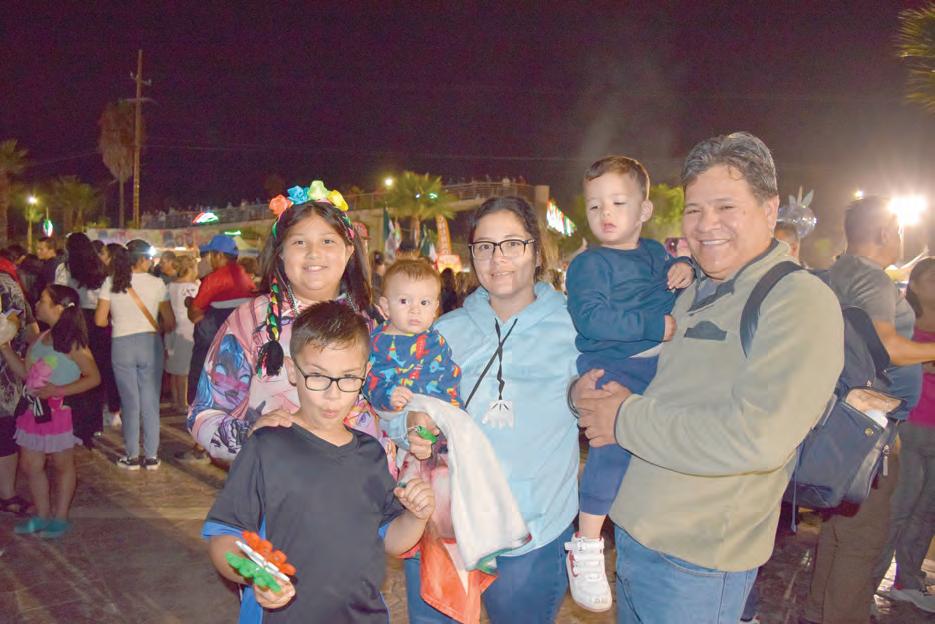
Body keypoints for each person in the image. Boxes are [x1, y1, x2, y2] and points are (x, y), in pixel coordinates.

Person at [574, 131, 844, 623]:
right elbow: (635, 371)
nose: (706, 225)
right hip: (634, 537)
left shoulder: (797, 301)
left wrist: (623, 418)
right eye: (694, 210)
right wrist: (582, 393)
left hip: (696, 564)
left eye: (725, 207)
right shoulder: (691, 289)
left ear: (769, 209)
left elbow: (758, 437)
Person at [386, 196, 580, 623]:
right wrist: (409, 425)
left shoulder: (574, 328)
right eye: (485, 246)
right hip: (445, 526)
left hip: (530, 531)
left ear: (537, 251)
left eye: (512, 244)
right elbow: (394, 406)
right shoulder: (443, 330)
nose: (498, 258)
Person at [203, 301, 434, 623]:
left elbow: (390, 539)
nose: (332, 394)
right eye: (317, 376)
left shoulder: (371, 453)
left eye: (348, 378)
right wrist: (257, 575)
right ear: (292, 371)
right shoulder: (268, 446)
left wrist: (416, 517)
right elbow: (224, 537)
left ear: (365, 374)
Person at [563, 156, 694, 612]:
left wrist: (685, 267)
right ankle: (586, 543)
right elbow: (591, 319)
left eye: (618, 202)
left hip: (657, 368)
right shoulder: (589, 264)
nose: (605, 213)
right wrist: (654, 326)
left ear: (644, 210)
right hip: (614, 365)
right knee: (611, 447)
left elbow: (677, 283)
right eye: (595, 205)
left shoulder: (656, 254)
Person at [803, 196, 932, 623]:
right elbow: (888, 347)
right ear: (884, 232)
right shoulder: (873, 279)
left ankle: (818, 612)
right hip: (869, 426)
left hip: (843, 417)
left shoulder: (839, 270)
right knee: (863, 538)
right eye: (898, 230)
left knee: (840, 529)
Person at [187, 183, 382, 464]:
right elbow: (203, 414)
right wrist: (251, 436)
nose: (314, 253)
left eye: (328, 241)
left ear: (349, 250)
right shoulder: (251, 320)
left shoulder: (376, 322)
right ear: (281, 252)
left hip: (364, 484)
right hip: (276, 484)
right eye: (299, 242)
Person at [1, 285, 100, 538]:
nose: (36, 304)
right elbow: (26, 373)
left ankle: (60, 518)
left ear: (58, 308)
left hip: (59, 412)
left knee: (61, 464)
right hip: (34, 410)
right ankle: (42, 515)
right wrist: (4, 347)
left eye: (43, 301)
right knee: (31, 464)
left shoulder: (72, 342)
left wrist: (59, 390)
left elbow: (93, 377)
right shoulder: (42, 337)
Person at [873, 257, 935, 614]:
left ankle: (908, 581)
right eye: (931, 279)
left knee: (927, 511)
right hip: (909, 426)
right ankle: (866, 583)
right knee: (898, 508)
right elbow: (889, 360)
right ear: (915, 285)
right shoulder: (903, 322)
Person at [95, 240, 176, 470]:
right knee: (150, 401)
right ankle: (151, 456)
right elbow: (170, 321)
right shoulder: (157, 283)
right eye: (149, 258)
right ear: (141, 259)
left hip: (121, 344)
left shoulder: (111, 282)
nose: (151, 262)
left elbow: (99, 320)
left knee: (130, 402)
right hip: (150, 344)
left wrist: (118, 322)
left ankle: (131, 456)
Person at [364, 259, 461, 412]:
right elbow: (367, 381)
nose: (415, 310)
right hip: (394, 416)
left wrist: (452, 411)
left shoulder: (436, 342)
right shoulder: (376, 344)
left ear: (435, 309)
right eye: (404, 301)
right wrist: (388, 395)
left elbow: (450, 378)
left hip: (438, 413)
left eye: (424, 303)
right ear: (386, 306)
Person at [185, 235, 255, 406]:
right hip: (238, 348)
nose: (209, 260)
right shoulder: (246, 278)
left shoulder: (214, 279)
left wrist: (190, 304)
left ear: (219, 255)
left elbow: (194, 314)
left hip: (210, 347)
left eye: (210, 255)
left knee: (200, 389)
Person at [55, 232, 110, 447]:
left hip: (75, 320)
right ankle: (94, 424)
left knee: (75, 371)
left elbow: (60, 295)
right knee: (97, 372)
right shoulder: (101, 268)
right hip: (98, 322)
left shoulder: (65, 268)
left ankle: (76, 423)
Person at [0, 257, 38, 517]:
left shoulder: (6, 284)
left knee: (4, 432)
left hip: (5, 374)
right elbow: (26, 330)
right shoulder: (8, 283)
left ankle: (7, 495)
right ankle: (7, 495)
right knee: (4, 433)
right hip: (6, 374)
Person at [166, 255, 199, 414]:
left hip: (172, 328)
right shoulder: (193, 287)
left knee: (174, 368)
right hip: (188, 329)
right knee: (184, 370)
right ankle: (183, 402)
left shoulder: (169, 286)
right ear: (191, 268)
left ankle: (175, 400)